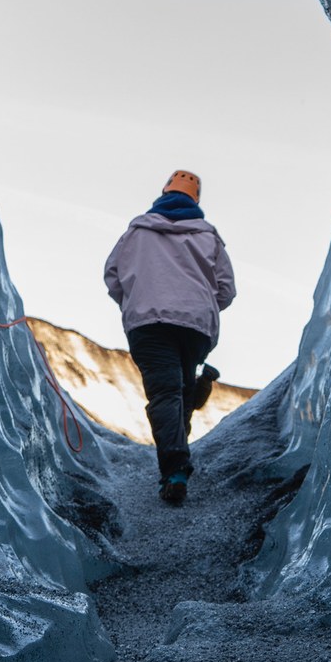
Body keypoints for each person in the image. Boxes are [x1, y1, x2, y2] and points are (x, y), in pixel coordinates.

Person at [104, 169, 236, 504]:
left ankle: (175, 470)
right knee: (181, 390)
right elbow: (226, 290)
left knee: (165, 392)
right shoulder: (209, 237)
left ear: (163, 193)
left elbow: (112, 276)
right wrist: (203, 307)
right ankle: (195, 403)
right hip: (195, 326)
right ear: (196, 200)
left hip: (148, 324)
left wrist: (136, 301)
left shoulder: (136, 232)